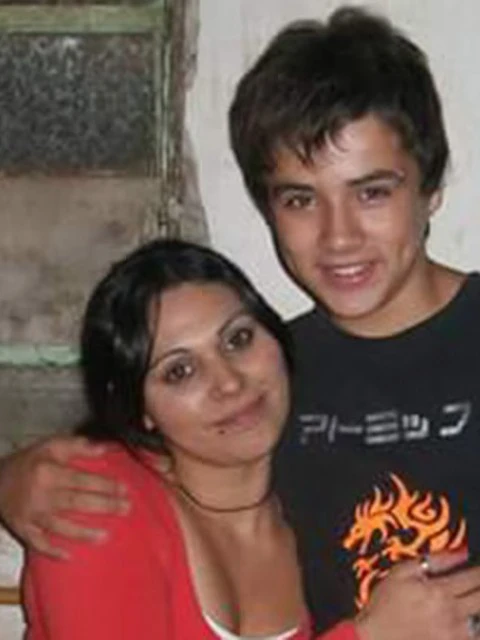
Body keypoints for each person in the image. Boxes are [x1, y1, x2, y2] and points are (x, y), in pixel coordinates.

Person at [2, 5, 480, 640]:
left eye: (372, 192)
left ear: (432, 188)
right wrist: (15, 480)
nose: (338, 236)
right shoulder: (269, 375)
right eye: (301, 199)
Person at [22, 238, 359, 639]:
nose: (230, 382)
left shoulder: (316, 492)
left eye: (238, 339)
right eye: (179, 371)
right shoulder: (95, 497)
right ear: (139, 408)